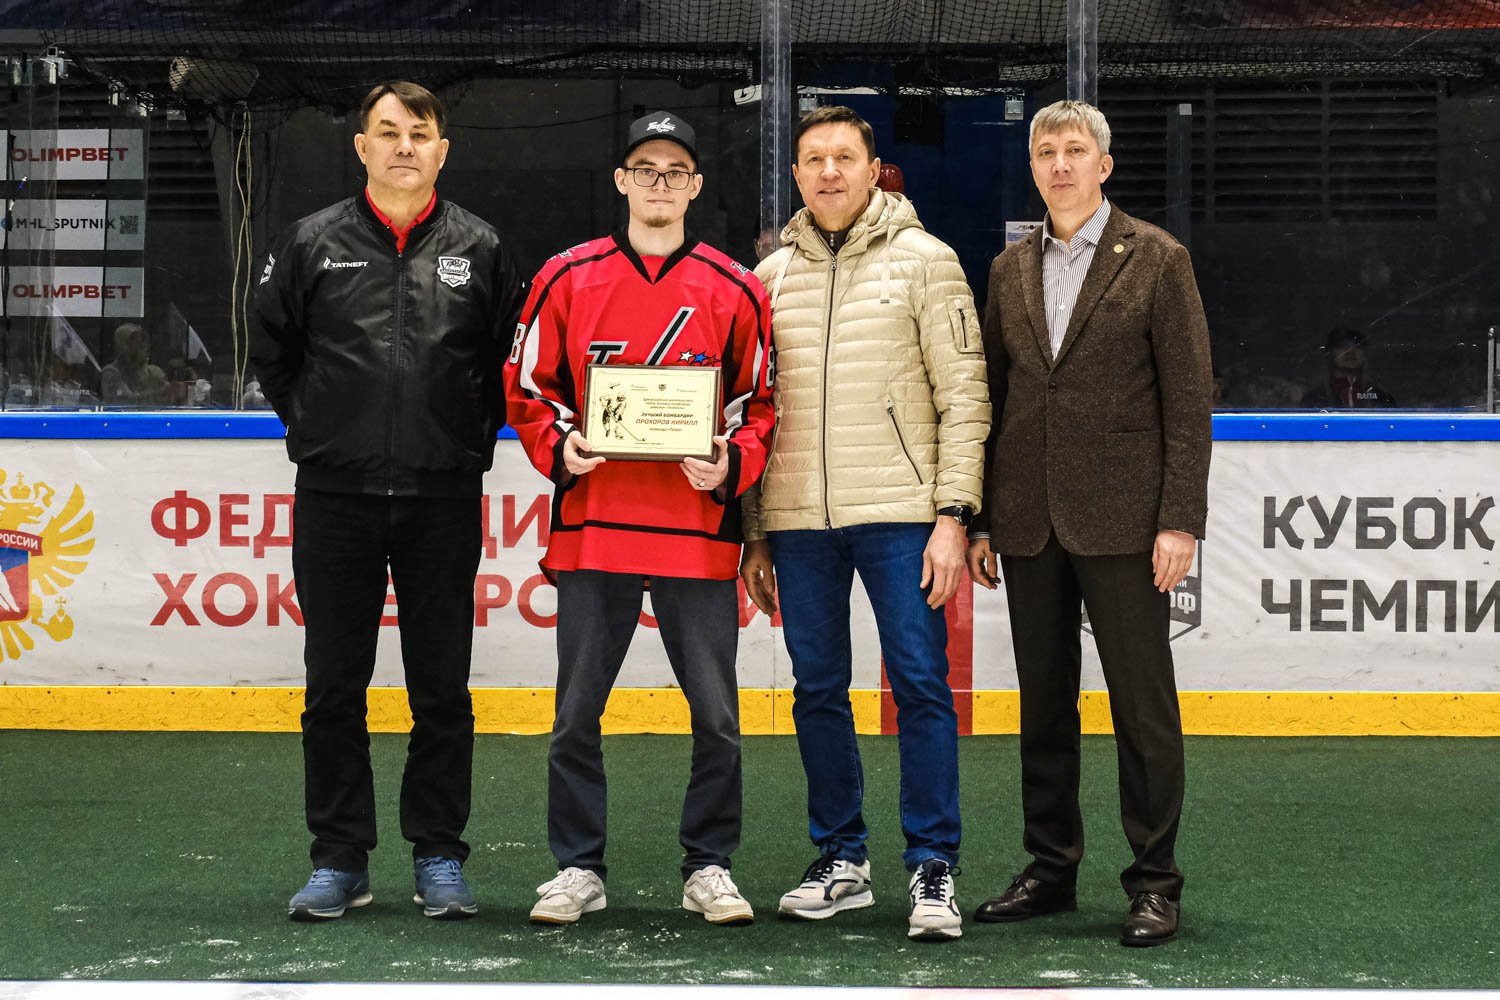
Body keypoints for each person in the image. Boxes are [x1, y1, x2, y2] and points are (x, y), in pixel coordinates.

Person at [249, 80, 523, 922]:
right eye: (389, 132)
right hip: (337, 498)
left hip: (444, 499)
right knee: (334, 688)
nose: (405, 146)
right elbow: (273, 349)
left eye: (420, 133)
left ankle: (438, 853)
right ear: (361, 147)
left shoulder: (482, 246)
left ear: (443, 151)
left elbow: (504, 364)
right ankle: (339, 859)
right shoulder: (311, 242)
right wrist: (319, 429)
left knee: (441, 690)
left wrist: (462, 442)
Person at [504, 110, 775, 927]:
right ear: (622, 180)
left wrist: (731, 464)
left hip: (696, 534)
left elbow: (760, 405)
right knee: (575, 716)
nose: (661, 183)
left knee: (718, 719)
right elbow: (527, 387)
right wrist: (560, 444)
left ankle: (710, 865)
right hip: (596, 529)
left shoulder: (737, 287)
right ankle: (578, 867)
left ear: (695, 186)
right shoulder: (566, 276)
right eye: (646, 169)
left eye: (676, 171)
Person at [739, 105, 990, 941]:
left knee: (920, 684)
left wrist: (953, 515)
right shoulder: (769, 279)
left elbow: (965, 397)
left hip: (903, 517)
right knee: (816, 690)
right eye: (813, 159)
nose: (828, 172)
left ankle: (933, 865)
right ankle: (841, 858)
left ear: (873, 169)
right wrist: (756, 530)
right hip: (798, 523)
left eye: (844, 157)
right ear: (797, 174)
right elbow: (752, 411)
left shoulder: (927, 261)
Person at [967, 99, 1212, 947]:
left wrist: (1179, 519)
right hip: (1028, 521)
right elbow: (995, 397)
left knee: (1143, 710)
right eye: (1047, 152)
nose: (1061, 164)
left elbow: (1188, 400)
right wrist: (983, 519)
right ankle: (1050, 869)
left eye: (1076, 150)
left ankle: (1155, 882)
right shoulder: (1008, 268)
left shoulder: (1158, 258)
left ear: (1104, 165)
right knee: (1044, 708)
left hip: (1128, 522)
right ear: (1033, 167)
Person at [1301, 328, 1396, 408]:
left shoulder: (1381, 398)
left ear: (1365, 355)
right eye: (1342, 346)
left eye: (1357, 347)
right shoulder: (1314, 398)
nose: (1350, 351)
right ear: (1330, 354)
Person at [100, 323, 168, 407]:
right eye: (132, 342)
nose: (139, 347)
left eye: (141, 342)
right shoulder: (110, 372)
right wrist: (160, 392)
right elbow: (127, 401)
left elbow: (169, 396)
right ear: (121, 345)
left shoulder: (153, 371)